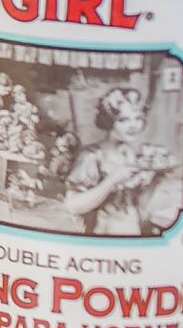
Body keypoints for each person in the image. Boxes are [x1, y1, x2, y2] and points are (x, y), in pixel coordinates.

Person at [62, 87, 170, 236]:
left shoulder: (131, 155)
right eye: (124, 120)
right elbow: (73, 206)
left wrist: (157, 178)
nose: (133, 125)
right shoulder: (92, 156)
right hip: (101, 237)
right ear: (109, 121)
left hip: (132, 232)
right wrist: (112, 180)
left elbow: (138, 208)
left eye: (138, 118)